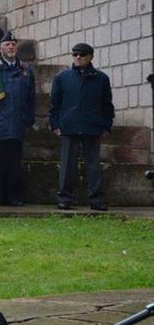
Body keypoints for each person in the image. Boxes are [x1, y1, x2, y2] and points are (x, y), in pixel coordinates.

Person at [49, 42, 114, 211]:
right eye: (75, 54)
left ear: (91, 57)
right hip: (69, 126)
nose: (78, 57)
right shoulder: (62, 77)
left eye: (82, 55)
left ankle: (96, 199)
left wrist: (107, 125)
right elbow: (55, 104)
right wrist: (55, 124)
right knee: (67, 165)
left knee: (93, 165)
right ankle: (64, 198)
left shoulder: (101, 78)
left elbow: (107, 104)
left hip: (92, 127)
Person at [0, 32, 36, 207]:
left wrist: (28, 118)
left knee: (14, 161)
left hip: (17, 121)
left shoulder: (26, 70)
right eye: (7, 45)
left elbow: (31, 97)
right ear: (0, 48)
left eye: (13, 44)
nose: (11, 47)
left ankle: (13, 195)